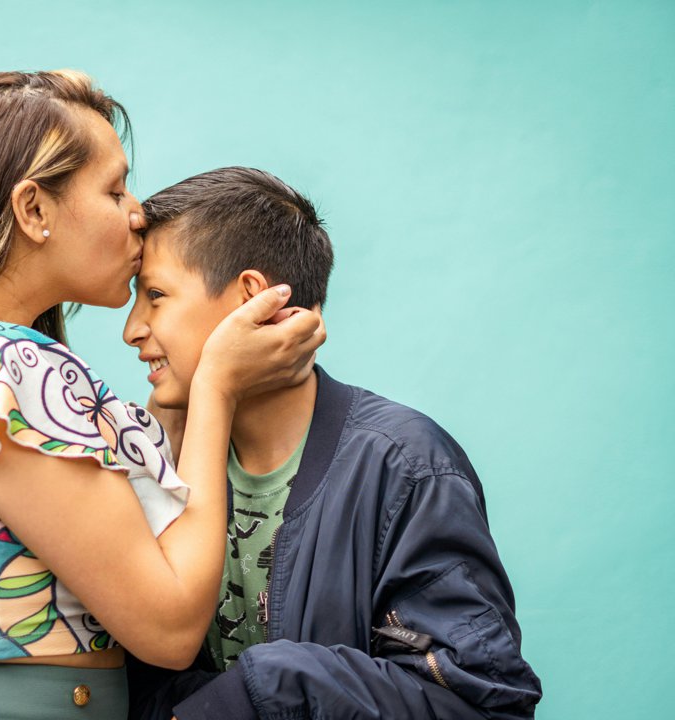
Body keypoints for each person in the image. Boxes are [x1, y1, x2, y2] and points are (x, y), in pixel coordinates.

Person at [0, 72, 325, 719]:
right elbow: (172, 628)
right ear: (33, 210)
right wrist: (215, 388)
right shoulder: (1, 370)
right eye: (114, 189)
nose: (137, 212)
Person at [123, 167, 543, 720]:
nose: (131, 328)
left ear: (251, 299)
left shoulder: (407, 465)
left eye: (155, 295)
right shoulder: (166, 456)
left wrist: (263, 690)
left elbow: (484, 703)